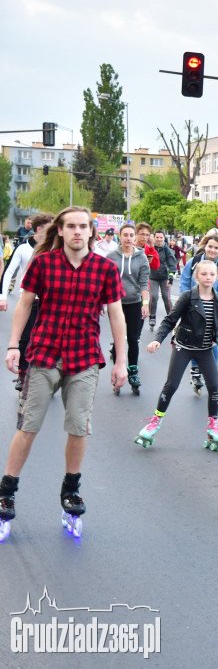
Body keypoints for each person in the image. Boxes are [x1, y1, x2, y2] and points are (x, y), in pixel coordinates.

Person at [0, 206, 128, 541]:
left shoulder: (104, 269)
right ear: (60, 230)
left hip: (84, 356)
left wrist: (121, 361)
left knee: (79, 426)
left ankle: (71, 489)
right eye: (70, 226)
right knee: (28, 424)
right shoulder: (43, 264)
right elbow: (24, 304)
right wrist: (14, 345)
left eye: (83, 226)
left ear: (91, 232)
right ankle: (7, 491)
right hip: (43, 353)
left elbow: (116, 317)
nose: (76, 232)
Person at [135, 260, 218, 451]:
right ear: (197, 277)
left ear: (217, 277)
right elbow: (170, 320)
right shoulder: (188, 297)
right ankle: (155, 421)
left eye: (212, 274)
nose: (208, 278)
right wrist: (157, 339)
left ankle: (213, 425)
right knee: (171, 385)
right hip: (184, 346)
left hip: (205, 350)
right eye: (203, 274)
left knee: (213, 387)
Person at [0, 213, 55, 391]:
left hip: (50, 300)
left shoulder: (55, 248)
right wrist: (3, 297)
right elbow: (8, 272)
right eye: (50, 227)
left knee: (48, 339)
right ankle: (23, 374)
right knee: (26, 338)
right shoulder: (23, 249)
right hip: (29, 298)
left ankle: (47, 375)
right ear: (40, 229)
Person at [180, 232, 218, 395]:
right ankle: (196, 370)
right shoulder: (195, 261)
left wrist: (216, 304)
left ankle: (213, 374)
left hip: (212, 307)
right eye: (210, 246)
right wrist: (186, 301)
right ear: (205, 246)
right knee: (194, 338)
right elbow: (184, 280)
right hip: (192, 305)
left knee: (212, 341)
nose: (212, 250)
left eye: (216, 248)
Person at [106, 223, 150, 395]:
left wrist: (145, 304)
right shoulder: (111, 256)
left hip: (134, 302)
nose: (129, 238)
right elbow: (105, 282)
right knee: (119, 339)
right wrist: (103, 303)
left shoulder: (141, 257)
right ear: (120, 236)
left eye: (131, 235)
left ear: (135, 237)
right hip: (116, 303)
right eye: (125, 235)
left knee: (133, 338)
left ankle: (133, 372)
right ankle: (119, 370)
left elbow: (144, 282)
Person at [148, 230, 177, 330]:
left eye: (161, 237)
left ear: (164, 238)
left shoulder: (167, 250)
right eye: (157, 237)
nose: (159, 239)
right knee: (154, 297)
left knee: (166, 297)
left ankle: (171, 318)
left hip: (164, 277)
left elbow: (172, 264)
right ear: (154, 238)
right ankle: (152, 317)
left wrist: (171, 277)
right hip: (152, 277)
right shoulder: (151, 248)